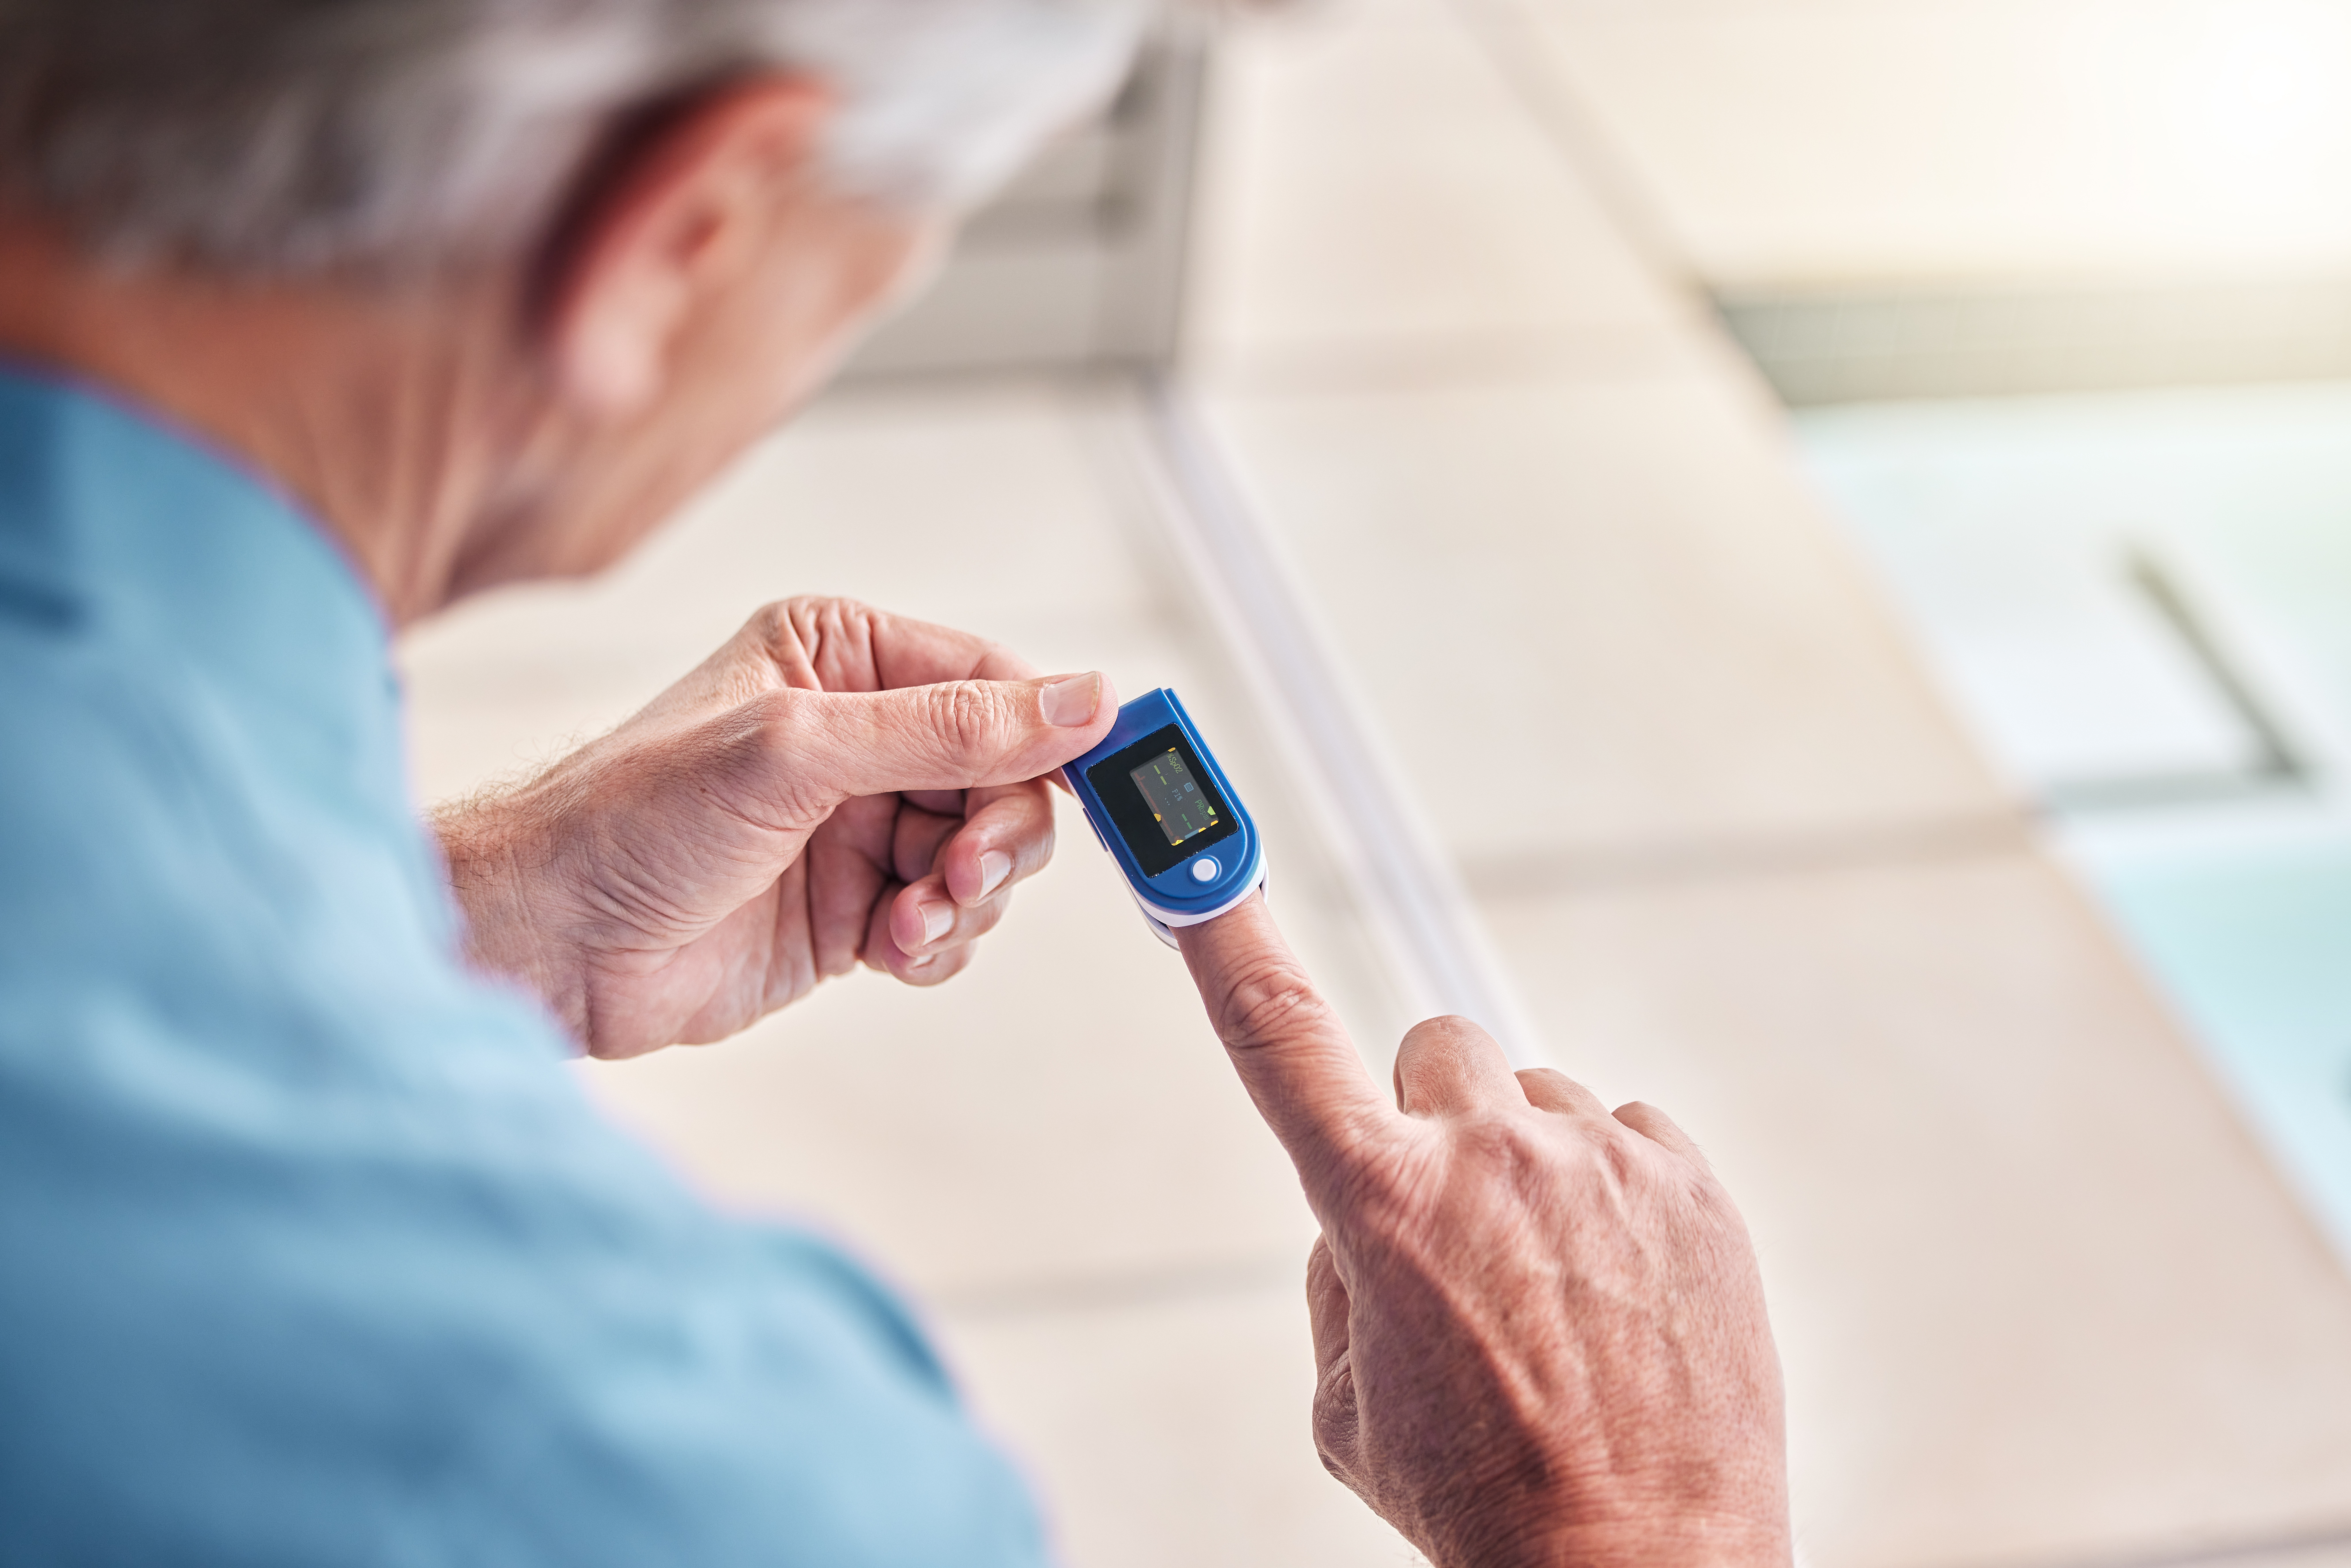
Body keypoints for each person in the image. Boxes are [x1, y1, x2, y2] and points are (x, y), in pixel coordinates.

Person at [0, 1, 1792, 1562]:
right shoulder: (635, 1452)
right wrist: (1639, 1523)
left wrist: (465, 929)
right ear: (684, 239)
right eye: (887, 254)